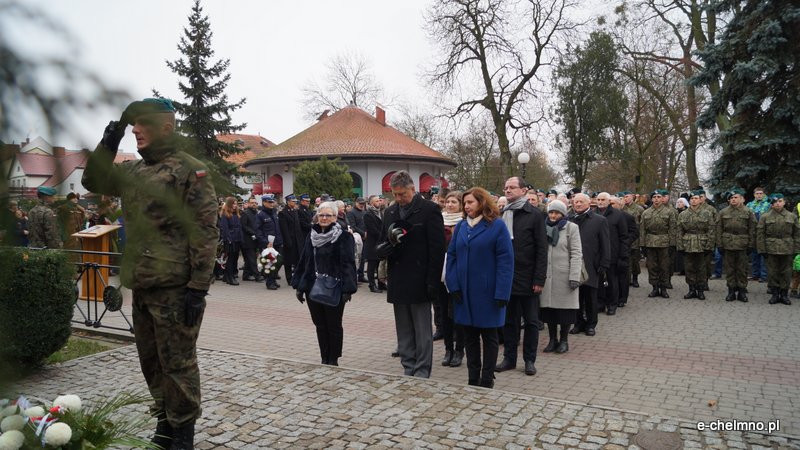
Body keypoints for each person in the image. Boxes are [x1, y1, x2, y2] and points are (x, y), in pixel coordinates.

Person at [82, 97, 218, 449]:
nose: (136, 131)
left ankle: (183, 434)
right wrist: (111, 137)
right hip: (142, 282)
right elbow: (93, 179)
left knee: (178, 363)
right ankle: (164, 424)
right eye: (133, 125)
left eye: (143, 124)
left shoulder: (190, 170)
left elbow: (204, 230)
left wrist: (198, 286)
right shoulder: (134, 171)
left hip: (175, 286)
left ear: (166, 128)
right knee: (151, 362)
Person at [377, 170, 445, 378]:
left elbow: (437, 249)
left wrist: (432, 281)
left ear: (413, 189)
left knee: (422, 328)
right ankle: (408, 365)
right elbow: (382, 240)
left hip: (420, 277)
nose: (399, 198)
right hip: (398, 276)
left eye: (402, 194)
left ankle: (422, 368)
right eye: (395, 194)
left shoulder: (429, 210)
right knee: (404, 327)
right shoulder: (390, 212)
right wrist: (382, 249)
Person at [445, 187, 513, 387]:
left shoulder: (497, 226)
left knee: (489, 336)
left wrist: (502, 292)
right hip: (464, 292)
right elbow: (452, 256)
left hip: (488, 293)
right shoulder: (461, 226)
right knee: (470, 337)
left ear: (482, 203)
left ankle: (487, 378)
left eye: (470, 202)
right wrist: (453, 285)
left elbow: (506, 262)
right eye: (464, 203)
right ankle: (473, 377)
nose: (466, 206)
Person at [291, 201, 357, 366]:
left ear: (335, 217)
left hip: (334, 287)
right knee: (320, 324)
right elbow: (304, 261)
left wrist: (348, 289)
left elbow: (348, 264)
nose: (324, 218)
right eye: (321, 215)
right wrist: (299, 286)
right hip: (313, 287)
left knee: (334, 325)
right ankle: (324, 357)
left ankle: (333, 359)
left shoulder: (343, 237)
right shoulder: (312, 235)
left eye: (328, 215)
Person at [496, 176, 548, 376]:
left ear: (523, 190)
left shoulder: (534, 214)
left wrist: (539, 279)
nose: (507, 190)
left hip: (528, 277)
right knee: (510, 321)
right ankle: (509, 358)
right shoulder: (502, 214)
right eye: (506, 187)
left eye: (512, 187)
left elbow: (542, 249)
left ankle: (529, 360)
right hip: (507, 276)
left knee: (531, 321)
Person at [540, 200, 582, 354]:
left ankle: (564, 340)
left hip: (565, 276)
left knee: (565, 311)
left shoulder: (571, 228)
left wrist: (574, 276)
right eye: (551, 212)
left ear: (563, 214)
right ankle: (553, 340)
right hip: (547, 275)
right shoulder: (542, 227)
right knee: (549, 310)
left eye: (556, 213)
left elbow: (576, 253)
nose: (553, 215)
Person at [568, 193, 610, 336]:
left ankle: (591, 324)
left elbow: (605, 243)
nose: (578, 204)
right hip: (574, 264)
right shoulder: (569, 219)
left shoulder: (599, 220)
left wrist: (604, 263)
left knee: (591, 297)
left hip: (591, 264)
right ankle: (578, 323)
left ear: (588, 203)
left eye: (581, 202)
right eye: (576, 202)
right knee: (576, 296)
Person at [757, 194, 799, 305]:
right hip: (771, 248)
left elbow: (797, 235)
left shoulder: (792, 216)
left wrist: (796, 250)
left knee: (786, 272)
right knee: (772, 272)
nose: (778, 203)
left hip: (787, 248)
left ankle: (784, 295)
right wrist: (762, 250)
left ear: (784, 202)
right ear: (772, 204)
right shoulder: (765, 216)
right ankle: (775, 294)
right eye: (775, 202)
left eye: (780, 201)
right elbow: (760, 234)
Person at [439, 190, 465, 368]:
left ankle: (459, 350)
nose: (449, 205)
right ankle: (448, 349)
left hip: (458, 272)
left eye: (454, 202)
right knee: (443, 314)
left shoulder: (464, 222)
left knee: (457, 314)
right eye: (448, 202)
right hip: (440, 272)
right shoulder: (439, 220)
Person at [717, 188, 756, 302]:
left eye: (735, 197)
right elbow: (718, 229)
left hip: (743, 244)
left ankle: (742, 292)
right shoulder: (723, 212)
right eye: (731, 198)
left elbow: (752, 229)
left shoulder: (748, 212)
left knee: (742, 269)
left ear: (741, 199)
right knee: (730, 269)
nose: (733, 199)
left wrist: (751, 245)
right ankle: (731, 291)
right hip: (728, 243)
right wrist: (719, 244)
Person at [677, 190, 716, 300]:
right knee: (689, 268)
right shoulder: (683, 214)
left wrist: (709, 246)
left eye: (696, 198)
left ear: (700, 200)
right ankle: (691, 289)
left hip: (702, 244)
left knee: (701, 268)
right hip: (688, 243)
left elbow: (711, 230)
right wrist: (680, 246)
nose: (694, 200)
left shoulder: (707, 213)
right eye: (692, 199)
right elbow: (679, 231)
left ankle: (700, 290)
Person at [595, 192, 629, 316]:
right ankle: (600, 303)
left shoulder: (618, 215)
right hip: (597, 253)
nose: (600, 202)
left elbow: (624, 237)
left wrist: (622, 255)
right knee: (598, 281)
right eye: (598, 199)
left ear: (609, 201)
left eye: (603, 199)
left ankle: (612, 304)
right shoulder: (593, 214)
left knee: (612, 280)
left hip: (613, 253)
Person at [640, 189, 677, 299]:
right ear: (651, 199)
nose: (656, 199)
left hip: (664, 242)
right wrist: (642, 244)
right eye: (654, 197)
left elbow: (672, 229)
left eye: (659, 197)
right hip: (650, 242)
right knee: (652, 266)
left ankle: (664, 288)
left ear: (662, 199)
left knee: (664, 266)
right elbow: (642, 230)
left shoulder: (669, 212)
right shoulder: (646, 212)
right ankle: (655, 287)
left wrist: (672, 244)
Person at [612, 196, 638, 307]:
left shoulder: (627, 217)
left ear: (620, 205)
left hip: (622, 249)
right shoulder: (603, 216)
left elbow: (634, 233)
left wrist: (626, 242)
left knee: (622, 274)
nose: (611, 206)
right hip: (610, 249)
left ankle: (622, 298)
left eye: (613, 204)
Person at [257, 194, 283, 290]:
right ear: (264, 202)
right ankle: (270, 282)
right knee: (270, 263)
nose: (272, 204)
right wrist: (265, 242)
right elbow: (258, 231)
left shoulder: (274, 213)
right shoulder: (260, 215)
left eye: (272, 202)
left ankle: (273, 279)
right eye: (269, 202)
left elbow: (278, 228)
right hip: (268, 244)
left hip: (277, 242)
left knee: (279, 261)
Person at [279, 194, 304, 284]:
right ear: (288, 202)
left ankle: (297, 277)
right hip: (289, 240)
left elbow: (298, 227)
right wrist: (287, 241)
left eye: (295, 201)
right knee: (288, 261)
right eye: (293, 201)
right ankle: (289, 278)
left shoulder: (295, 211)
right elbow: (284, 229)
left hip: (297, 240)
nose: (295, 203)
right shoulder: (283, 213)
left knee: (297, 260)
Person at [747, 187, 770, 282]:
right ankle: (755, 274)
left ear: (764, 194)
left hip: (763, 232)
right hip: (753, 232)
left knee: (763, 254)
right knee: (754, 255)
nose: (759, 195)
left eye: (761, 193)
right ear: (754, 195)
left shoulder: (768, 204)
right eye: (757, 193)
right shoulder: (749, 205)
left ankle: (763, 276)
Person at [219, 197, 243, 285]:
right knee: (230, 259)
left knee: (234, 258)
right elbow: (225, 229)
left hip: (237, 239)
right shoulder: (225, 214)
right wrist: (228, 239)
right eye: (233, 204)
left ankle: (226, 276)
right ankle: (230, 277)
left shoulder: (236, 214)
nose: (235, 205)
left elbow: (239, 227)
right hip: (230, 240)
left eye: (236, 204)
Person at [622, 192, 644, 287]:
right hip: (624, 237)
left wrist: (641, 240)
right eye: (624, 197)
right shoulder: (622, 208)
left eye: (627, 196)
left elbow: (642, 225)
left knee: (635, 260)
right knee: (626, 260)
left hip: (635, 238)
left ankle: (635, 278)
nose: (625, 198)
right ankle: (627, 279)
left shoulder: (639, 209)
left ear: (632, 197)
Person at [363, 195, 384, 293]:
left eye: (379, 200)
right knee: (371, 265)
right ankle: (372, 285)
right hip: (372, 243)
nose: (379, 202)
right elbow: (372, 230)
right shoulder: (368, 214)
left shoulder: (381, 213)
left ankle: (381, 284)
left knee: (379, 264)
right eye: (376, 201)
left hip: (380, 243)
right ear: (371, 203)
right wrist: (382, 235)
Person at [240, 197, 263, 282]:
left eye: (255, 203)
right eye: (252, 203)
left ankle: (246, 275)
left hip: (255, 239)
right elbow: (244, 226)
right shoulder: (245, 213)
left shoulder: (256, 213)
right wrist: (253, 232)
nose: (254, 204)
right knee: (252, 258)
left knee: (249, 259)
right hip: (248, 240)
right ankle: (257, 276)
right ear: (249, 203)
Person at [347, 197, 368, 282]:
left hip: (365, 238)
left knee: (363, 257)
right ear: (356, 203)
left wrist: (366, 233)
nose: (362, 205)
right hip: (357, 238)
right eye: (360, 203)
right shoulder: (351, 213)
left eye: (363, 203)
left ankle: (361, 275)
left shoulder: (364, 212)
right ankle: (354, 276)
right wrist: (363, 233)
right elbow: (353, 226)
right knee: (356, 258)